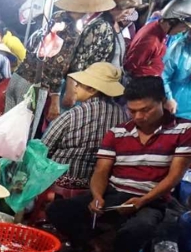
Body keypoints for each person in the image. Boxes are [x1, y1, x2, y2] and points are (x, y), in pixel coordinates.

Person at [46, 76, 191, 252]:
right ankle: (91, 247)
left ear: (162, 101)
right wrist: (97, 196)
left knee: (137, 229)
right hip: (115, 194)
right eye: (132, 111)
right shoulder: (118, 132)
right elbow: (101, 171)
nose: (138, 117)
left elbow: (174, 176)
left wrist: (143, 200)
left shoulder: (185, 129)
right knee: (57, 210)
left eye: (146, 110)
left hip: (153, 199)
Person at [5, 0, 115, 120]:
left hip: (18, 77)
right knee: (22, 134)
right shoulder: (71, 31)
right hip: (34, 87)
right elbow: (57, 65)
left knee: (5, 129)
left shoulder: (56, 16)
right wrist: (55, 99)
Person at [41, 63, 128, 194]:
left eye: (80, 84)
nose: (75, 87)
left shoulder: (73, 115)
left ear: (92, 90)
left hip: (60, 182)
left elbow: (43, 149)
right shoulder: (123, 116)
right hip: (99, 186)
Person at [63, 0, 142, 111]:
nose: (129, 12)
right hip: (86, 92)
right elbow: (79, 59)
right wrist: (71, 92)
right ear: (115, 6)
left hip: (100, 93)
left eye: (132, 8)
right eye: (127, 8)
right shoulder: (100, 26)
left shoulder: (117, 26)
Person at [123, 0, 191, 81]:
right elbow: (131, 69)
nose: (183, 31)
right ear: (172, 21)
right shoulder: (151, 41)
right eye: (184, 26)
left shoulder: (159, 31)